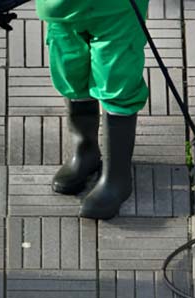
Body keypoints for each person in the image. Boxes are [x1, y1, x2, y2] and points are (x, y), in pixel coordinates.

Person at [37, 0, 150, 220]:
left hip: (115, 10)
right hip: (61, 8)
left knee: (116, 79)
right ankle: (85, 152)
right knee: (70, 71)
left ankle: (117, 177)